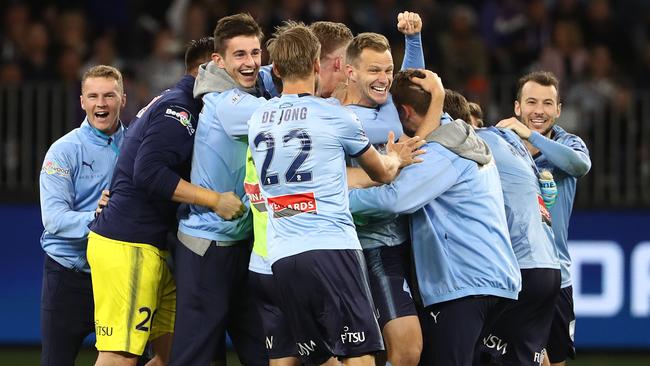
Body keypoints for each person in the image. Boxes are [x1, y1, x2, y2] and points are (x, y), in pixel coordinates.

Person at [248, 21, 424, 366]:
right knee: (359, 358)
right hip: (331, 248)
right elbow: (383, 173)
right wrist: (397, 158)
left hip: (281, 257)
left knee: (319, 359)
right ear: (317, 65)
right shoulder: (332, 115)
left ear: (277, 69)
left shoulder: (258, 119)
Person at [349, 69, 522, 366]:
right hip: (493, 281)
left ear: (403, 111)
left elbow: (395, 200)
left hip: (463, 285)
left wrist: (336, 199)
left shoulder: (440, 151)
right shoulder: (463, 137)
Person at [86, 38, 240, 366]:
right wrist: (215, 201)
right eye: (232, 67)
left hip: (153, 247)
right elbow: (150, 173)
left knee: (174, 356)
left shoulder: (182, 104)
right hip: (129, 243)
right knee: (120, 355)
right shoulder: (180, 108)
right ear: (207, 70)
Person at [171, 13, 272, 366]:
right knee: (194, 356)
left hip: (239, 244)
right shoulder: (226, 103)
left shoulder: (250, 88)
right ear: (219, 61)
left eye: (256, 53)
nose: (251, 63)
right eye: (240, 55)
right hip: (207, 248)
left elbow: (281, 71)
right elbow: (290, 114)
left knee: (262, 351)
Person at [442, 88, 561, 365]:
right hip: (548, 266)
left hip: (519, 267)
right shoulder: (510, 141)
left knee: (479, 352)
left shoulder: (471, 146)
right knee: (529, 355)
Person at [341, 13, 427, 366]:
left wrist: (413, 39)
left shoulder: (391, 103)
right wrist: (390, 172)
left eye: (387, 70)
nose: (384, 79)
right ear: (350, 73)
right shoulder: (337, 118)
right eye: (374, 70)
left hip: (408, 243)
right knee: (405, 351)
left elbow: (415, 81)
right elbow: (336, 180)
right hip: (371, 247)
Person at [496, 70, 591, 366]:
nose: (539, 111)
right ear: (517, 107)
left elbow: (579, 165)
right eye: (532, 102)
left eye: (548, 104)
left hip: (556, 277)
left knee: (556, 360)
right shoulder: (501, 146)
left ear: (559, 110)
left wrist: (531, 135)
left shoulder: (570, 146)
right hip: (510, 272)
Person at [39, 65, 126, 366]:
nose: (101, 103)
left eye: (109, 96)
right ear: (82, 102)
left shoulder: (137, 148)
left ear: (123, 100)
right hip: (68, 277)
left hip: (118, 277)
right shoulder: (63, 151)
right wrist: (100, 218)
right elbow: (54, 219)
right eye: (93, 96)